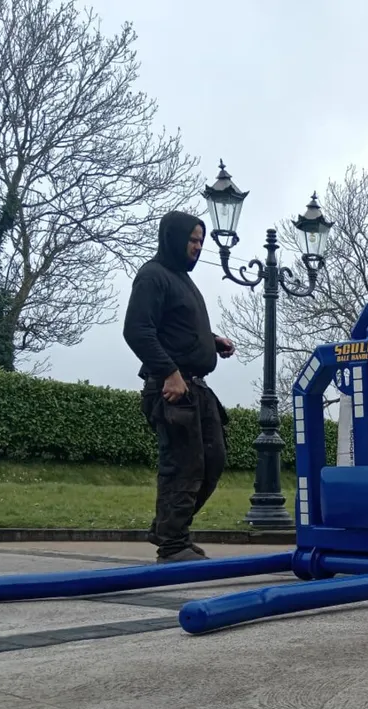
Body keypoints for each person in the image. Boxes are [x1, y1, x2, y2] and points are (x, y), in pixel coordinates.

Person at [123, 210, 236, 563]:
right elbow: (137, 330)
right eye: (192, 240)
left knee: (212, 462)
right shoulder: (152, 276)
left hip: (197, 389)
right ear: (173, 238)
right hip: (173, 389)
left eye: (201, 241)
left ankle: (171, 530)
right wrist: (170, 372)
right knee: (183, 466)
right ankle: (173, 544)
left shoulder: (183, 281)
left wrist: (211, 340)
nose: (197, 247)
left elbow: (177, 327)